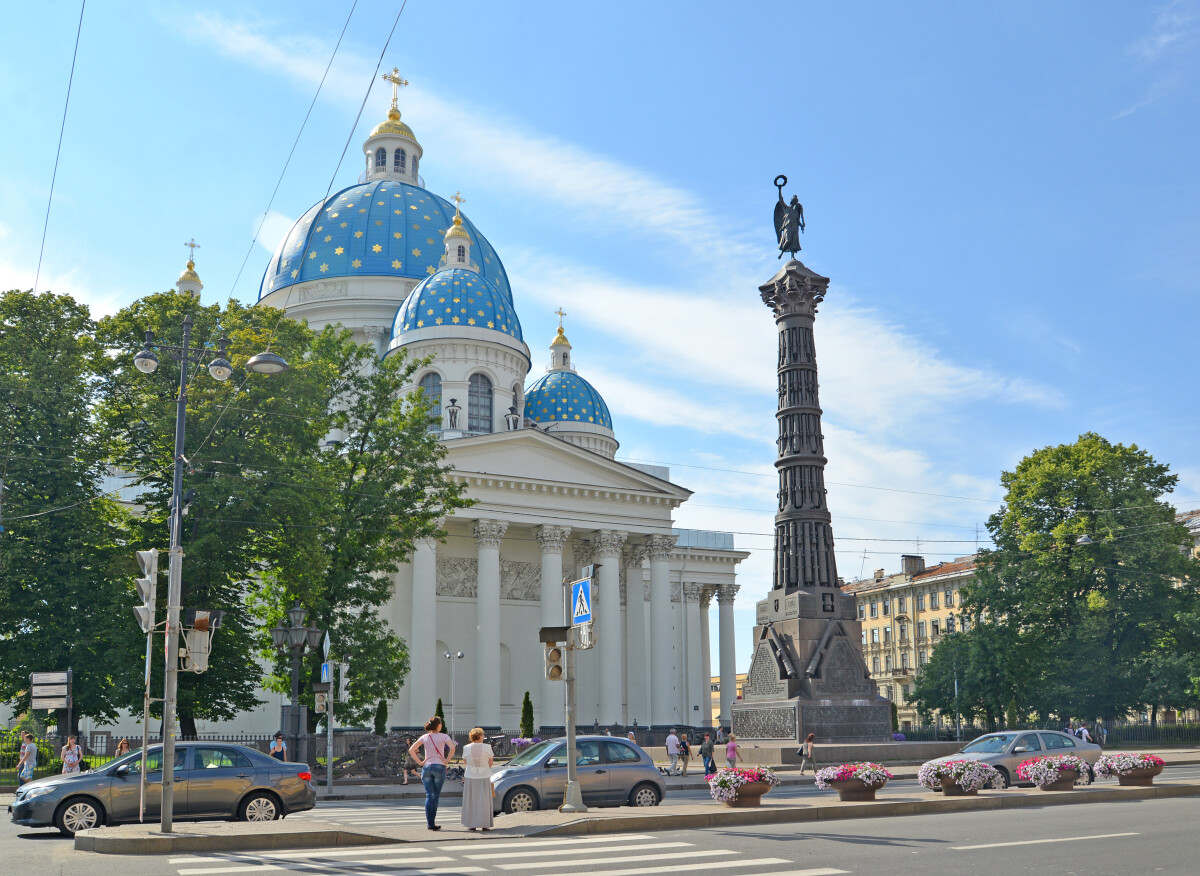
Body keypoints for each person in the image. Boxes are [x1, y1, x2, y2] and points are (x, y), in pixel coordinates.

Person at [409, 715, 456, 831]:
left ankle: (430, 823)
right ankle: (433, 822)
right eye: (441, 724)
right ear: (439, 725)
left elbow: (411, 750)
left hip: (427, 767)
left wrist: (420, 762)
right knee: (436, 796)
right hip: (439, 767)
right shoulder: (444, 736)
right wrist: (446, 760)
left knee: (429, 795)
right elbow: (452, 748)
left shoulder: (425, 737)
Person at [460, 727, 494, 831]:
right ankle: (484, 824)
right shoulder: (488, 747)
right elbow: (490, 763)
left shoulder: (466, 748)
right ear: (479, 736)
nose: (483, 737)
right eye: (482, 735)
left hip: (471, 775)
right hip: (484, 775)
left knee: (471, 800)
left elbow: (465, 763)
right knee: (484, 800)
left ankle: (471, 824)